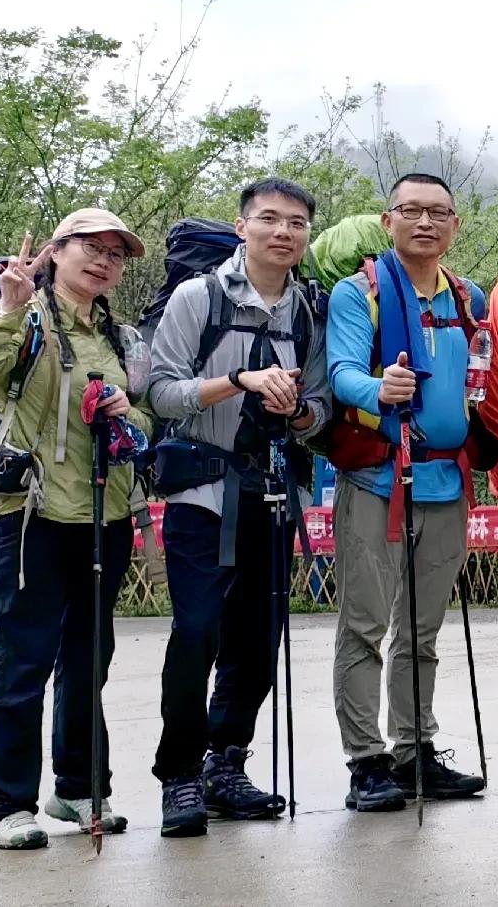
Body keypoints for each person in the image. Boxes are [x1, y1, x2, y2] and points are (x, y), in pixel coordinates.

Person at [0, 211, 153, 849]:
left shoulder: (120, 337)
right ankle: (7, 807)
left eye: (115, 255)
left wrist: (129, 413)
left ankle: (76, 788)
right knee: (23, 660)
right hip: (29, 516)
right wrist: (9, 306)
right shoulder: (24, 317)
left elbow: (146, 413)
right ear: (57, 252)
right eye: (89, 248)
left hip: (105, 515)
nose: (103, 262)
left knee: (89, 659)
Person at [144, 179, 332, 835]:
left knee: (258, 638)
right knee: (197, 630)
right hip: (202, 490)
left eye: (297, 222)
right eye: (270, 219)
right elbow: (161, 392)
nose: (284, 231)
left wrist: (301, 410)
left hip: (272, 492)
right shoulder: (199, 298)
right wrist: (240, 380)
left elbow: (318, 404)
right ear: (242, 225)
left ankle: (227, 763)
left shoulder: (307, 309)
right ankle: (179, 774)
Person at [325, 173, 491, 812]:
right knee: (365, 625)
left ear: (454, 225)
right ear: (388, 219)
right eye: (411, 210)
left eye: (439, 212)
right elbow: (341, 372)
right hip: (377, 477)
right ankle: (366, 761)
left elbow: (480, 382)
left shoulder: (468, 297)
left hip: (446, 480)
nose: (426, 222)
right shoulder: (357, 292)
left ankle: (413, 750)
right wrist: (379, 391)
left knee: (422, 631)